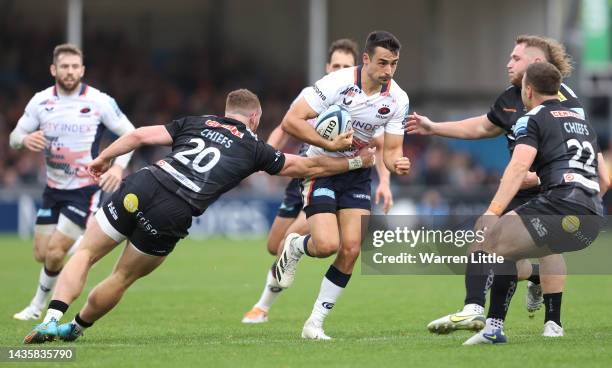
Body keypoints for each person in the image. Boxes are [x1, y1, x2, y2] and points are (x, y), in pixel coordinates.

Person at [23, 89, 376, 344]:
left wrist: (103, 158)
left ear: (225, 110)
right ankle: (77, 328)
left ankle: (53, 316)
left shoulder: (197, 121)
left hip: (145, 183)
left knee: (85, 252)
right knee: (122, 277)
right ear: (255, 118)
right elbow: (309, 165)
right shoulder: (255, 149)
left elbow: (139, 135)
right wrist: (357, 161)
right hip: (174, 212)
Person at [407, 35, 583, 336]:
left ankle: (553, 323)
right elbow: (483, 126)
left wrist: (540, 178)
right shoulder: (511, 96)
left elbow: (576, 159)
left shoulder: (566, 102)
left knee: (543, 246)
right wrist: (434, 127)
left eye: (515, 58)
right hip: (519, 185)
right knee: (489, 239)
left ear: (536, 63)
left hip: (554, 189)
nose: (508, 63)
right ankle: (474, 309)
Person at [242, 39, 393, 324]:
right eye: (336, 65)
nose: (341, 70)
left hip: (336, 177)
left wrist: (384, 182)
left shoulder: (365, 101)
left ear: (356, 68)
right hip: (305, 168)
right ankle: (268, 297)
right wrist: (263, 158)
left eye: (346, 66)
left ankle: (262, 307)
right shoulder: (315, 94)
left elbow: (381, 143)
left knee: (312, 241)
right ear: (328, 67)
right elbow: (284, 128)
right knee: (275, 245)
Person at [273, 30, 411, 340]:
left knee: (350, 249)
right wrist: (328, 144)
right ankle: (297, 245)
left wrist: (397, 165)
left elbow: (391, 152)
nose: (388, 71)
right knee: (326, 246)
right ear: (366, 59)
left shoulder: (398, 99)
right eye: (383, 63)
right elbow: (292, 121)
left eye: (394, 64)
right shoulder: (337, 83)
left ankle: (315, 324)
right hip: (320, 168)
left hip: (358, 174)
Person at [463, 62, 608, 345]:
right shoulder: (582, 122)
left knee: (487, 239)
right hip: (591, 217)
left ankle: (491, 324)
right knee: (508, 251)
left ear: (528, 90)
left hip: (560, 206)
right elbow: (604, 179)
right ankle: (500, 326)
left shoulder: (531, 119)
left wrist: (492, 212)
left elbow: (518, 167)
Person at [9, 44, 134, 321]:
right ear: (54, 69)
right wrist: (25, 140)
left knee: (55, 251)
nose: (70, 71)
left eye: (75, 66)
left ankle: (36, 307)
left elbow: (130, 134)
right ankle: (83, 241)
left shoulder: (100, 101)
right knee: (43, 254)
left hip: (84, 190)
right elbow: (14, 137)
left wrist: (118, 168)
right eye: (64, 66)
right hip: (52, 190)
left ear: (83, 70)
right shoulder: (40, 101)